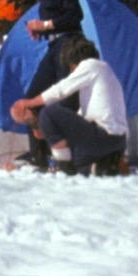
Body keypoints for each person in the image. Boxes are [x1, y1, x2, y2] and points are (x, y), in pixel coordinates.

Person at [10, 37, 127, 175]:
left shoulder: (90, 65)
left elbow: (61, 90)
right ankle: (102, 166)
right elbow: (83, 118)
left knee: (48, 114)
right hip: (118, 140)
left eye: (71, 69)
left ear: (73, 63)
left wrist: (29, 102)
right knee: (77, 160)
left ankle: (64, 169)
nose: (72, 73)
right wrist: (49, 132)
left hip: (103, 136)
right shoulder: (105, 70)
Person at [15, 0, 85, 167]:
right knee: (31, 100)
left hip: (69, 45)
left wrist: (43, 25)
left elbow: (75, 15)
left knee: (66, 101)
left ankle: (67, 157)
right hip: (54, 45)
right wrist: (40, 30)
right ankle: (39, 155)